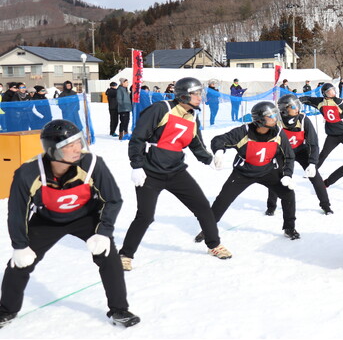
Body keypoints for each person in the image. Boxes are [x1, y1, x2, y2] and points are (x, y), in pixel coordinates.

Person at [0, 120, 140, 328]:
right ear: (53, 150)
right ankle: (6, 310)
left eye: (78, 142)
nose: (77, 149)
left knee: (108, 256)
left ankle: (119, 309)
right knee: (19, 263)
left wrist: (103, 232)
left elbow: (113, 200)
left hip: (86, 217)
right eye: (69, 145)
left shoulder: (92, 163)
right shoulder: (28, 173)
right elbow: (17, 213)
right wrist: (20, 246)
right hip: (47, 220)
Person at [119, 77, 230, 271]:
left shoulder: (192, 117)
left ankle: (214, 245)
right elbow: (137, 138)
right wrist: (137, 165)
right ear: (184, 95)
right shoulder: (161, 109)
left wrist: (209, 159)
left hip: (176, 171)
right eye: (196, 94)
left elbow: (196, 144)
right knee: (145, 216)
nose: (200, 97)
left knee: (203, 207)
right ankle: (125, 255)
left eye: (200, 93)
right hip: (150, 172)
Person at [200, 101, 301, 242]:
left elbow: (289, 155)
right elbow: (219, 139)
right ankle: (207, 229)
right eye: (271, 116)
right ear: (260, 120)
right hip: (243, 173)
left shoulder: (278, 132)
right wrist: (219, 151)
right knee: (223, 199)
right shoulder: (244, 131)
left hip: (267, 171)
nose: (275, 118)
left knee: (288, 194)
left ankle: (289, 228)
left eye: (275, 114)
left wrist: (288, 174)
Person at [266, 94, 333, 216]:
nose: (297, 108)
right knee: (276, 177)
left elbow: (313, 143)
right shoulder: (277, 121)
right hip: (283, 152)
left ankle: (326, 205)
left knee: (315, 176)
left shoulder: (303, 119)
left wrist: (312, 163)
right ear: (284, 109)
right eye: (293, 106)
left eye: (297, 105)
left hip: (301, 150)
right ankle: (271, 206)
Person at [299, 83, 343, 170]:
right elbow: (309, 100)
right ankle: (313, 171)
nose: (332, 93)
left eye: (333, 90)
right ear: (324, 94)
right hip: (332, 135)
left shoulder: (339, 102)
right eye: (329, 92)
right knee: (323, 154)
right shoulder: (320, 102)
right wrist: (299, 99)